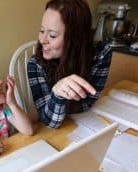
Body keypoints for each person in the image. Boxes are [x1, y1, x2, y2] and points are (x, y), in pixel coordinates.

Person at [27, 0, 112, 128]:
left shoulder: (101, 54)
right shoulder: (36, 64)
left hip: (85, 123)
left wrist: (52, 107)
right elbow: (49, 122)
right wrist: (57, 95)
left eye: (52, 35)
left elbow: (87, 104)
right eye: (42, 30)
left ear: (74, 38)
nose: (42, 40)